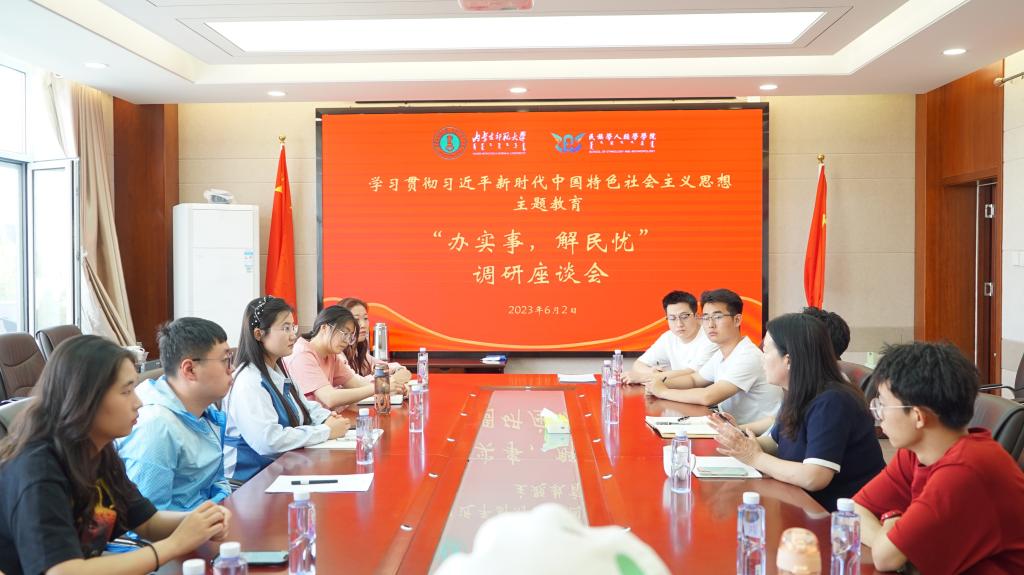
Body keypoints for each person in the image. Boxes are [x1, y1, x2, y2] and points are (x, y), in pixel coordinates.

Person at [0, 335, 231, 575]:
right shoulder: (38, 468)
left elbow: (147, 523)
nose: (138, 402)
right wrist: (174, 545)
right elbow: (62, 571)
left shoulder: (98, 452)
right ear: (86, 398)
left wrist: (199, 522)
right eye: (126, 391)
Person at [852, 341, 1024, 573]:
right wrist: (892, 542)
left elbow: (886, 559)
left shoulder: (965, 470)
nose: (878, 415)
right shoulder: (916, 451)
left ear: (918, 416)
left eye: (882, 405)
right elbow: (855, 510)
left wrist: (892, 521)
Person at [709, 313, 884, 511]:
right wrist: (738, 441)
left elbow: (814, 477)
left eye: (765, 351)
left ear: (789, 359)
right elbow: (775, 443)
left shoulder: (832, 401)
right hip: (803, 504)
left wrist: (755, 457)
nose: (761, 359)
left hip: (841, 517)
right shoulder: (798, 392)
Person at [223, 296, 350, 481]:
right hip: (249, 481)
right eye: (285, 328)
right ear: (259, 334)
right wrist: (326, 431)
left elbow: (305, 406)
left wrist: (327, 418)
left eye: (293, 327)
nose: (293, 335)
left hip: (281, 470)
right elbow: (269, 441)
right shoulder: (248, 381)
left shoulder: (277, 371)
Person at [116, 318, 233, 512]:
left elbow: (217, 482)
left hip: (210, 519)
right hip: (181, 529)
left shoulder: (206, 411)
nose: (232, 368)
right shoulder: (156, 427)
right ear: (190, 369)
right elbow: (149, 519)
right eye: (225, 360)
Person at [644, 289, 781, 424]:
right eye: (706, 317)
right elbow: (694, 380)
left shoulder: (747, 356)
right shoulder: (722, 353)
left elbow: (708, 396)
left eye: (718, 317)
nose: (710, 324)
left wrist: (662, 391)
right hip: (730, 426)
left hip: (755, 433)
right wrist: (658, 383)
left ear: (737, 320)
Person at [287, 305, 409, 411]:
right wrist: (380, 387)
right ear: (324, 328)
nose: (347, 341)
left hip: (326, 420)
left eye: (350, 337)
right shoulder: (302, 354)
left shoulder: (331, 355)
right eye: (344, 334)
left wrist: (393, 388)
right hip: (309, 426)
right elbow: (329, 398)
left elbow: (357, 384)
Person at [623, 290, 718, 384]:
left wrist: (646, 377)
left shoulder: (711, 337)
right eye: (672, 318)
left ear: (696, 316)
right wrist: (652, 372)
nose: (679, 324)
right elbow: (638, 365)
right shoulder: (668, 338)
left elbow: (691, 373)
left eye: (684, 316)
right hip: (677, 391)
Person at [337, 296, 411, 383]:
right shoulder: (337, 354)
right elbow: (354, 383)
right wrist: (391, 379)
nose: (363, 325)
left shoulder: (358, 352)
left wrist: (399, 370)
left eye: (365, 318)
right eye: (356, 319)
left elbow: (387, 366)